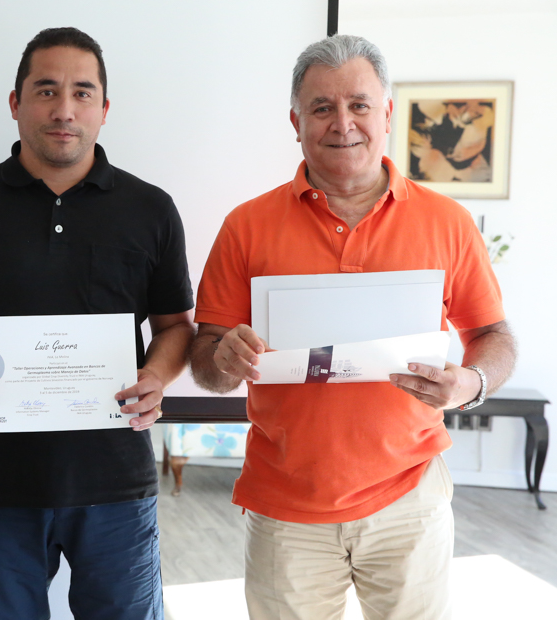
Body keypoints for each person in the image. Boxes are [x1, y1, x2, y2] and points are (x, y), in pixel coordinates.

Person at [190, 34, 517, 619]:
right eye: (322, 108)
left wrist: (472, 384)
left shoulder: (448, 222)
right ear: (296, 121)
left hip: (410, 497)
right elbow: (206, 358)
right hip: (285, 506)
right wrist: (221, 359)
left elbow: (494, 336)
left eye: (359, 104)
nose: (343, 123)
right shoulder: (245, 227)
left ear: (388, 113)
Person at [0, 27, 194, 619]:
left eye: (83, 93)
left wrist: (157, 376)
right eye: (46, 90)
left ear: (105, 110)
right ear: (15, 103)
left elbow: (177, 327)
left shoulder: (151, 209)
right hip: (0, 485)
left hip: (115, 482)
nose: (64, 109)